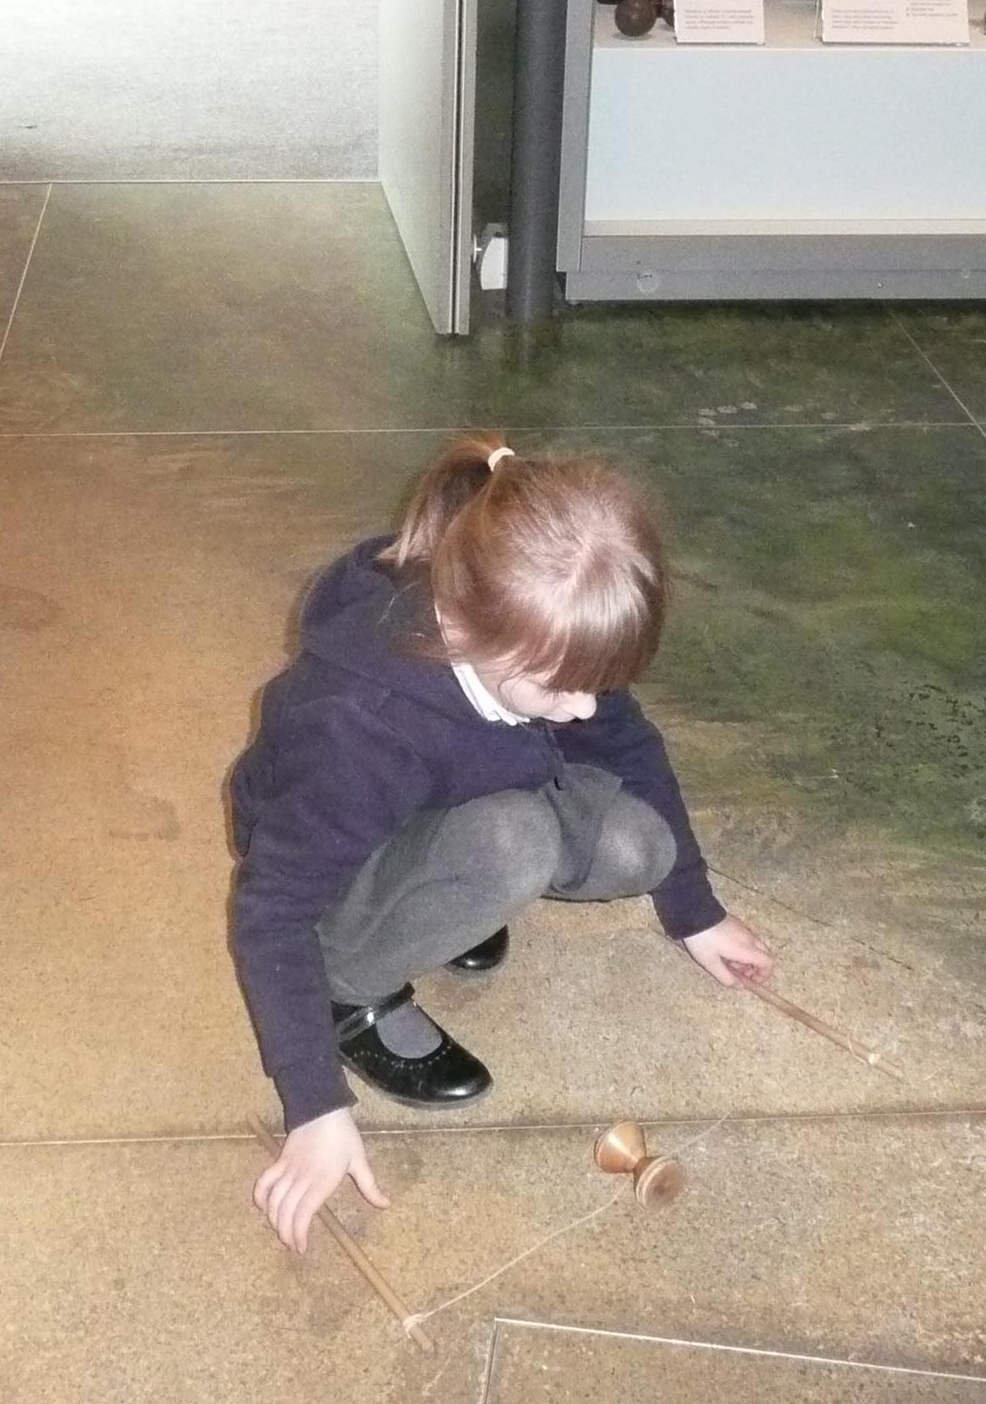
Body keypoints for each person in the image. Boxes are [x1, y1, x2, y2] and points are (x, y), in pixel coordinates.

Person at [229, 433, 774, 1251]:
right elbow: (272, 912)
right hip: (336, 872)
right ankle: (355, 987)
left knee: (639, 845)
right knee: (513, 843)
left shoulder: (535, 633)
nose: (584, 710)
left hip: (446, 794)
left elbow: (627, 745)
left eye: (598, 685)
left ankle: (449, 890)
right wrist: (314, 1104)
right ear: (459, 626)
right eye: (562, 688)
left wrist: (694, 910)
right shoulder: (357, 729)